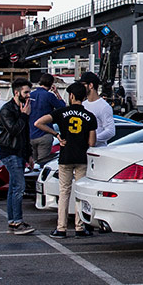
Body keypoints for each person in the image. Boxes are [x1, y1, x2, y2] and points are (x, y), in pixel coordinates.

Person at [36, 82, 97, 238]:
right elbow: (92, 142)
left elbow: (39, 123)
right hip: (82, 157)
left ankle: (61, 228)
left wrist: (56, 135)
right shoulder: (90, 117)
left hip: (65, 157)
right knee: (80, 193)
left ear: (71, 96)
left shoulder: (61, 113)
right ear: (84, 97)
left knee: (64, 193)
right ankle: (80, 226)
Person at [0, 78, 35, 235]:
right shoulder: (8, 110)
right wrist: (24, 116)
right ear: (16, 92)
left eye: (29, 92)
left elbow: (25, 135)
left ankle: (13, 221)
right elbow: (13, 130)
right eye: (26, 92)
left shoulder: (22, 109)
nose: (28, 96)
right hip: (10, 152)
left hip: (19, 152)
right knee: (18, 187)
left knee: (14, 188)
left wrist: (29, 155)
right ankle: (16, 222)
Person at [28, 73, 64, 166]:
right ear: (51, 84)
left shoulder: (30, 95)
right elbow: (62, 108)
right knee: (43, 164)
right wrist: (56, 93)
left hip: (30, 134)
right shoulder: (49, 96)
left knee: (32, 164)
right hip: (45, 134)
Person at [79, 71, 115, 147]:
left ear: (91, 85)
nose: (81, 88)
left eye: (83, 85)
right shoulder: (83, 105)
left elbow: (110, 131)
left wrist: (93, 139)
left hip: (97, 151)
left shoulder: (104, 106)